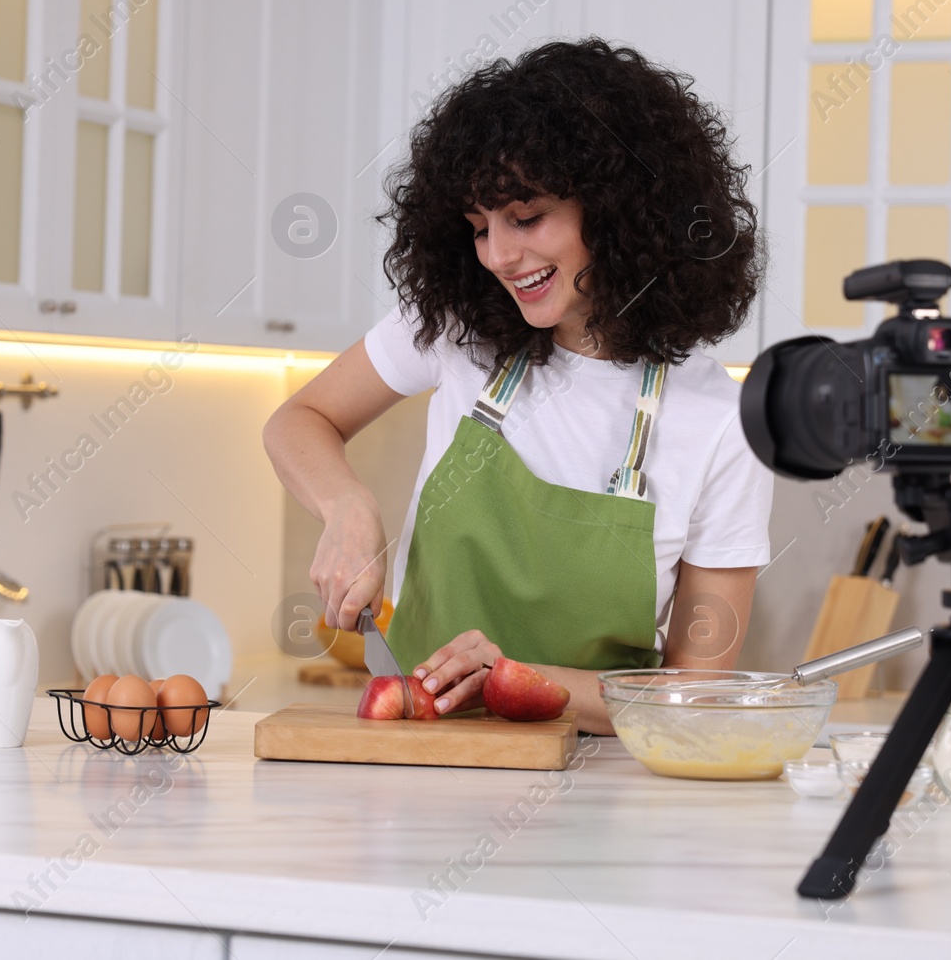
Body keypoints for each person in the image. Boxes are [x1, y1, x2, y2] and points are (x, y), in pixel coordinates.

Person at [264, 38, 774, 735]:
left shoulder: (720, 421)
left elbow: (692, 697)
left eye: (526, 217)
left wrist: (514, 680)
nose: (499, 255)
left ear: (619, 208)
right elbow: (301, 418)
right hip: (422, 767)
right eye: (479, 227)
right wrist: (345, 503)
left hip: (600, 801)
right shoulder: (456, 328)